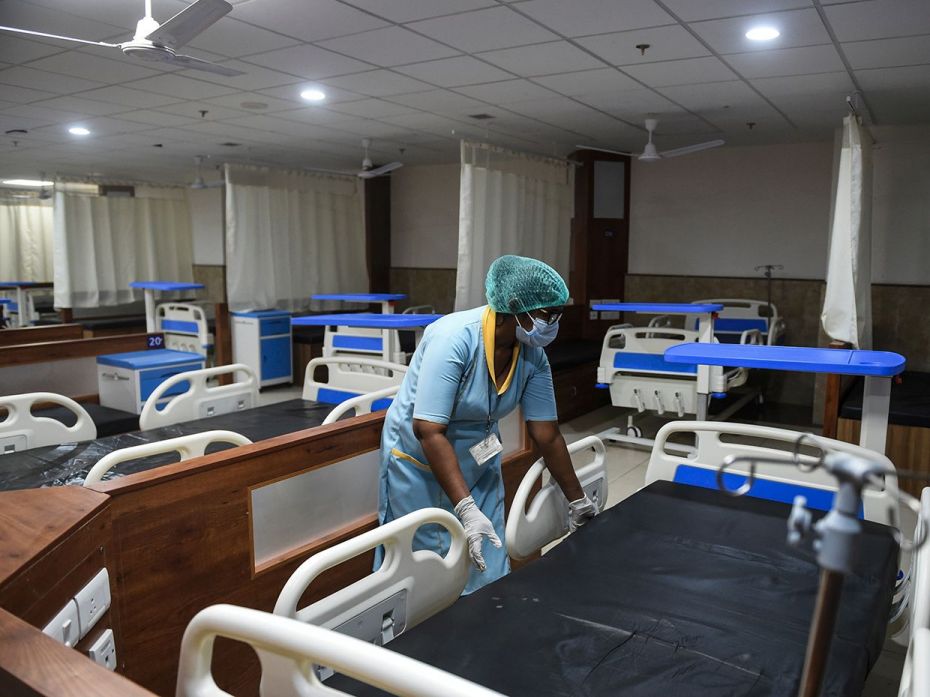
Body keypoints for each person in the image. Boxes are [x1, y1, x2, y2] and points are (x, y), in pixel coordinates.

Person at [377, 254, 597, 594]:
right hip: (420, 465)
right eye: (547, 314)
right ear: (515, 307)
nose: (554, 322)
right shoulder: (454, 339)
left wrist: (577, 500)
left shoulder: (532, 355)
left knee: (489, 565)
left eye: (558, 313)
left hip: (477, 464)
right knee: (430, 570)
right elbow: (427, 430)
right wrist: (465, 509)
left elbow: (546, 433)